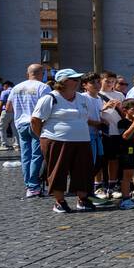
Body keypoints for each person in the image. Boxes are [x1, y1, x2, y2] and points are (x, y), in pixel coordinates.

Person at [30, 69, 100, 213]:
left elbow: (85, 118)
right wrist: (43, 137)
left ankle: (83, 199)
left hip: (82, 140)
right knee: (58, 170)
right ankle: (59, 201)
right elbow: (35, 120)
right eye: (73, 79)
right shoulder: (50, 98)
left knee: (83, 170)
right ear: (63, 81)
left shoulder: (82, 98)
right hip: (56, 140)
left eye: (77, 79)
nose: (77, 81)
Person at [8, 64, 51, 198]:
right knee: (37, 155)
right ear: (42, 74)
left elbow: (8, 107)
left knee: (25, 156)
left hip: (20, 123)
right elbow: (48, 107)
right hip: (36, 123)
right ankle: (33, 186)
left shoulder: (16, 87)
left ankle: (29, 185)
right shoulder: (43, 87)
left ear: (28, 74)